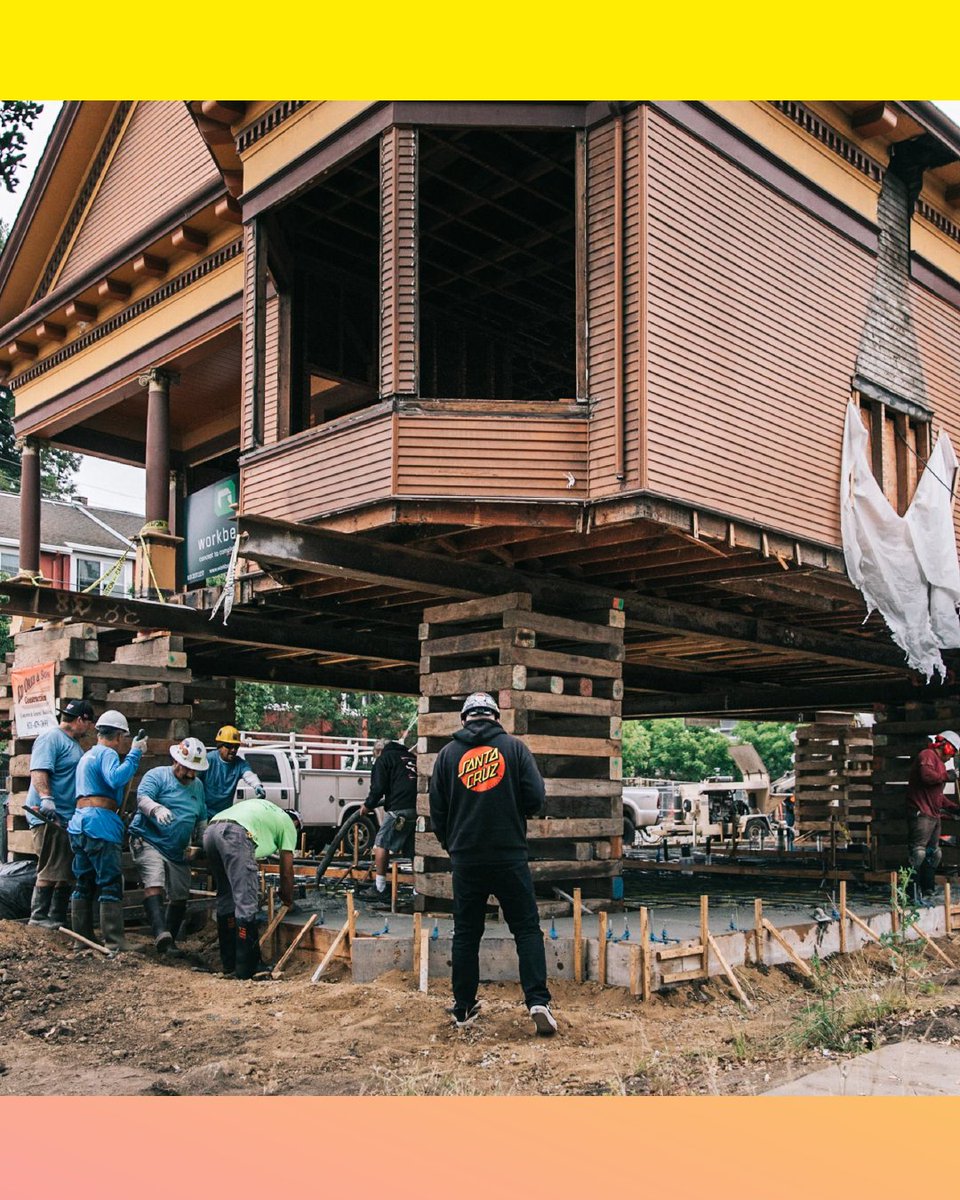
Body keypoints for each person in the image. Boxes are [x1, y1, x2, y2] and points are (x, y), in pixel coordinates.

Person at [429, 692, 556, 1036]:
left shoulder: (446, 756)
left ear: (465, 718)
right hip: (509, 853)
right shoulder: (515, 749)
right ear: (496, 717)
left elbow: (436, 812)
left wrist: (452, 846)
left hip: (467, 858)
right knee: (526, 929)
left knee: (467, 933)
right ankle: (537, 1001)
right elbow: (535, 797)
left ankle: (464, 1008)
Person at [67, 711, 147, 951]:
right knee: (110, 882)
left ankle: (81, 939)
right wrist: (135, 754)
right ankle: (114, 941)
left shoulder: (87, 756)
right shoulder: (107, 753)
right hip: (99, 825)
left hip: (80, 824)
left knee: (84, 881)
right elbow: (115, 779)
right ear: (119, 736)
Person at [203, 797, 300, 979]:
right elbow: (286, 871)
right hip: (236, 833)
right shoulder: (288, 824)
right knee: (245, 900)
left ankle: (229, 963)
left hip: (211, 830)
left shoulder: (266, 811)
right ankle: (249, 967)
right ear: (296, 823)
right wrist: (288, 897)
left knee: (227, 896)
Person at [128, 738, 209, 955]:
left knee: (180, 893)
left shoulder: (197, 786)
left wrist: (202, 840)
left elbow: (201, 816)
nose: (191, 775)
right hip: (149, 839)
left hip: (177, 848)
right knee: (154, 880)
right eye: (188, 769)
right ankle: (160, 933)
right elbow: (142, 798)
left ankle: (168, 942)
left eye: (195, 770)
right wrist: (156, 809)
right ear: (176, 760)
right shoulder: (157, 776)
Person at [25, 699, 95, 929]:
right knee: (50, 865)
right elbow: (39, 770)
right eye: (89, 723)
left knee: (65, 868)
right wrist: (46, 798)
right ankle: (38, 916)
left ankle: (56, 917)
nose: (90, 728)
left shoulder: (72, 742)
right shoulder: (51, 738)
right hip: (47, 816)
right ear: (80, 720)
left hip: (65, 817)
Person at [355, 735, 417, 903]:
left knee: (381, 843)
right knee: (413, 850)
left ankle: (380, 887)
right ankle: (419, 890)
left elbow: (378, 787)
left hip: (399, 808)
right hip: (418, 808)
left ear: (379, 750)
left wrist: (368, 805)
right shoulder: (410, 757)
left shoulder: (384, 759)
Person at [907, 729, 960, 902]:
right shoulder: (927, 755)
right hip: (921, 813)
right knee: (918, 853)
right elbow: (926, 777)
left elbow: (938, 796)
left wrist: (954, 808)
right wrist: (947, 776)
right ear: (945, 746)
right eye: (952, 752)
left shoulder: (940, 764)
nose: (951, 757)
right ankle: (911, 891)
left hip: (933, 815)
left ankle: (927, 888)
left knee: (933, 854)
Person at [200, 725, 266, 819]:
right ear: (219, 746)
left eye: (236, 746)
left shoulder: (240, 763)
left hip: (224, 815)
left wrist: (257, 785)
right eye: (229, 746)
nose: (233, 750)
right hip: (204, 813)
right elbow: (194, 780)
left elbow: (248, 774)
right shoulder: (208, 760)